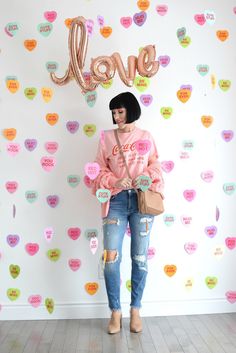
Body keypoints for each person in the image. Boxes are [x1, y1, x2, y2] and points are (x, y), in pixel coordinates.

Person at [92, 92, 164, 334]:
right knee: (111, 258)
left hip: (142, 201)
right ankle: (115, 311)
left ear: (131, 110)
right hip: (116, 201)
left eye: (120, 111)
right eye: (114, 112)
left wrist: (147, 177)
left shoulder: (146, 137)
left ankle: (135, 310)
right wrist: (114, 179)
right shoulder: (106, 138)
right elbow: (99, 169)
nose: (116, 116)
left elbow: (156, 166)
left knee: (140, 258)